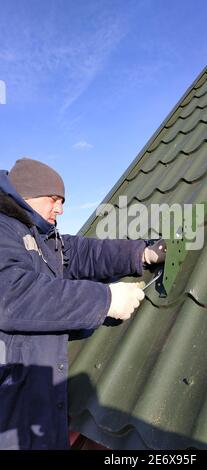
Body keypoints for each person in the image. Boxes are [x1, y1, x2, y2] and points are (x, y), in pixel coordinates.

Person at [0, 157, 165, 450]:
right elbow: (12, 294)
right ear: (26, 195)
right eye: (54, 200)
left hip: (39, 405)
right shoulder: (4, 231)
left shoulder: (41, 236)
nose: (60, 209)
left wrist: (141, 254)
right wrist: (106, 299)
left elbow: (82, 253)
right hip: (10, 412)